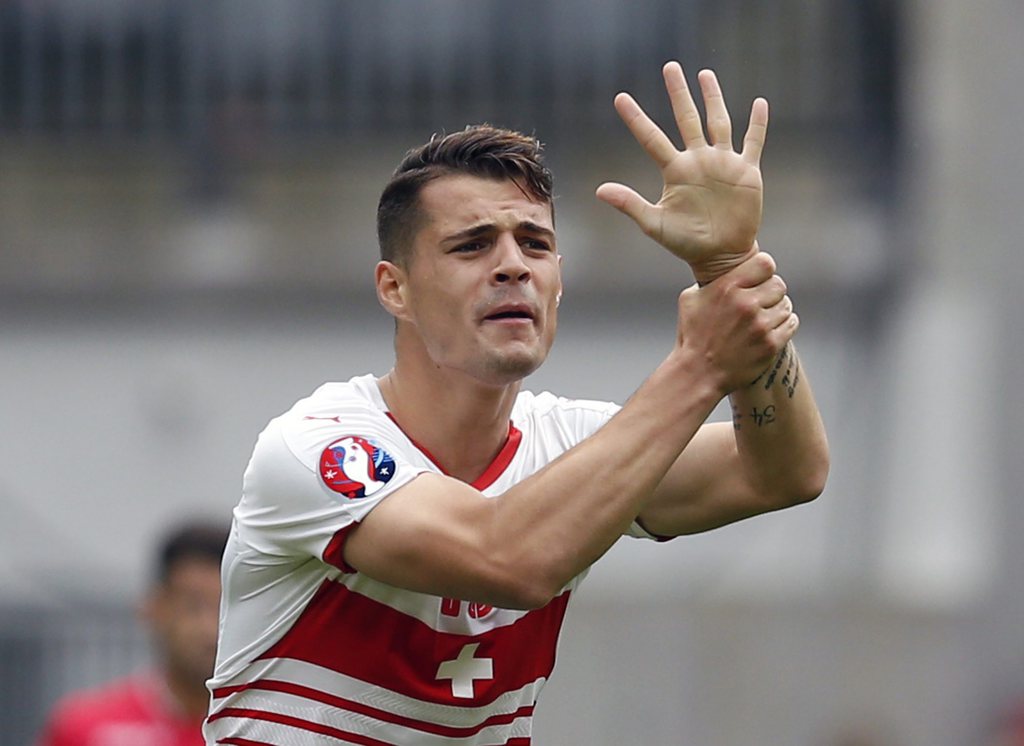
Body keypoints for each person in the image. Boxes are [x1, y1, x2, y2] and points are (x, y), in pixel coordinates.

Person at [205, 61, 829, 745]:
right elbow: (509, 559)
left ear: (558, 282)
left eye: (535, 243)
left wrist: (730, 267)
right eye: (472, 246)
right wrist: (700, 366)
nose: (513, 265)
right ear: (395, 288)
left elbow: (783, 472)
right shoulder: (320, 448)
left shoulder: (572, 443)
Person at [38, 520, 228, 746]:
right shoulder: (85, 728)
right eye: (193, 606)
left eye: (225, 608)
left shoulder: (268, 731)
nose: (210, 628)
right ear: (154, 607)